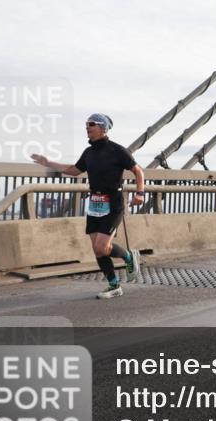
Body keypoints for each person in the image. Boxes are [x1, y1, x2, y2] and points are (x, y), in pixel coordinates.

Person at [31, 113, 142, 299]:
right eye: (86, 124)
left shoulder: (118, 151)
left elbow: (138, 171)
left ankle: (129, 257)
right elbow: (75, 170)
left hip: (113, 202)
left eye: (92, 124)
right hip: (95, 203)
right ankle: (114, 285)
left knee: (102, 246)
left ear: (103, 128)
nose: (87, 127)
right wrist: (48, 162)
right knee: (97, 248)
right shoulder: (89, 152)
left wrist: (140, 193)